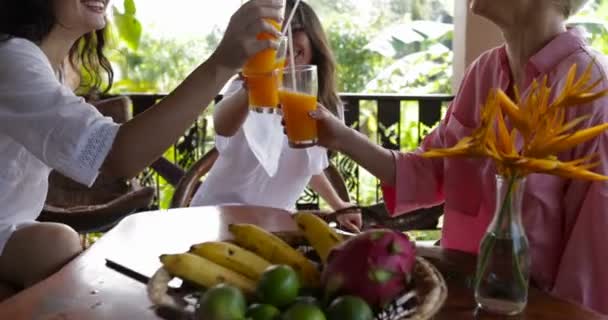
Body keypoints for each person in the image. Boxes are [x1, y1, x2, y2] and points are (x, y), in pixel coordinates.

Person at [303, 0, 608, 314]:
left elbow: (591, 267)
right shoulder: (484, 71)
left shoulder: (594, 90)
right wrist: (340, 137)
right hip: (462, 299)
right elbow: (431, 169)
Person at [0, 0, 285, 301]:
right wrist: (222, 63)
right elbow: (118, 156)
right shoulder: (12, 60)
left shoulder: (48, 67)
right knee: (56, 245)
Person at [189, 0, 363, 232]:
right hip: (218, 217)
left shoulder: (324, 106)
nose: (287, 62)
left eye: (298, 52)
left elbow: (309, 163)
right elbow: (222, 125)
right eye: (277, 51)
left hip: (275, 225)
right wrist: (255, 84)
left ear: (315, 50)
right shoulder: (245, 88)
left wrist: (338, 204)